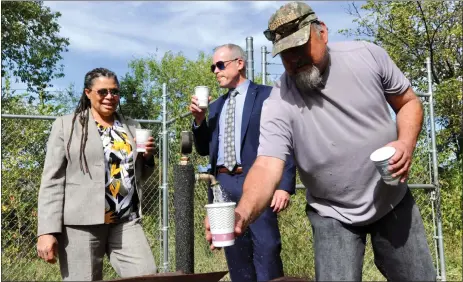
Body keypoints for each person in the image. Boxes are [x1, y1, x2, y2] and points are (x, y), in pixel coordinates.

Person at [223, 2, 437, 281]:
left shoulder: (367, 56)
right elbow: (267, 165)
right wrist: (241, 213)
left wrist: (406, 143)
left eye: (300, 47)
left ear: (322, 32)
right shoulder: (279, 101)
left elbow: (408, 103)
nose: (295, 58)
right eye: (285, 53)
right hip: (332, 212)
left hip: (392, 198)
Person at [36, 68, 157, 281]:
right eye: (102, 92)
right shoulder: (67, 125)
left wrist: (146, 158)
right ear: (88, 93)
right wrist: (47, 231)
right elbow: (52, 180)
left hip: (125, 220)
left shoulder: (131, 126)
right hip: (81, 225)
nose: (110, 97)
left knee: (147, 275)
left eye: (115, 92)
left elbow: (138, 175)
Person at [190, 43, 296, 281]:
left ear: (240, 63)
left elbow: (286, 140)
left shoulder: (269, 96)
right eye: (213, 67)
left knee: (267, 250)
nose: (215, 71)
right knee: (236, 256)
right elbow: (204, 149)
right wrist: (199, 122)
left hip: (258, 182)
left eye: (220, 65)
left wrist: (284, 184)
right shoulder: (215, 107)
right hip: (223, 185)